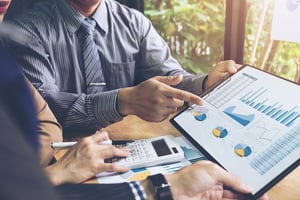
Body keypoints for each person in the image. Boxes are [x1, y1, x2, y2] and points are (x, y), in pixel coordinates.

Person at [6, 0, 238, 137]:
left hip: (128, 146)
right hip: (64, 154)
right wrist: (121, 102)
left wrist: (206, 84)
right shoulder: (25, 30)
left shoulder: (134, 22)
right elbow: (41, 110)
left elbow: (170, 79)